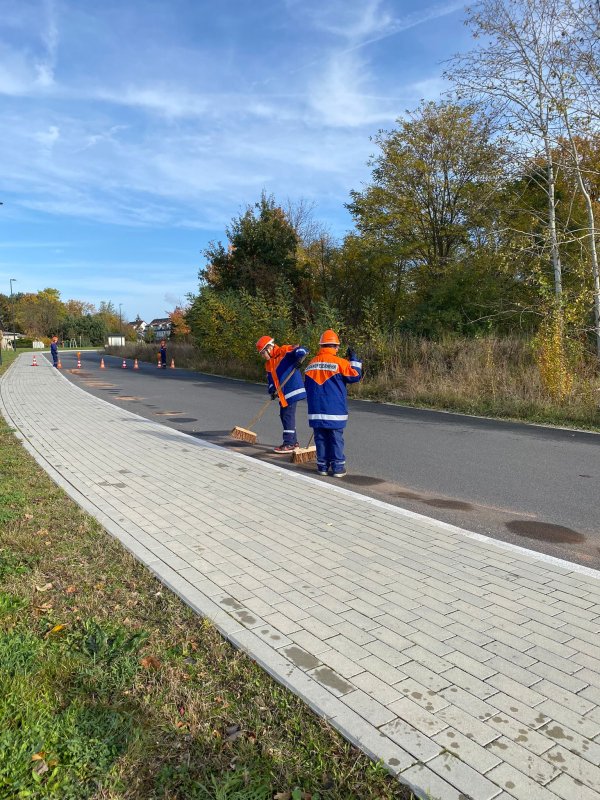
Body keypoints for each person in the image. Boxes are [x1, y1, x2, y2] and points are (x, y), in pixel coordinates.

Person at [303, 330, 362, 477]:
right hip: (334, 409)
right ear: (335, 346)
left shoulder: (311, 364)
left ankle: (322, 466)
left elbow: (308, 387)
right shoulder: (340, 363)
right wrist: (354, 360)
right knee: (335, 438)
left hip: (315, 409)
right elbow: (355, 376)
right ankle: (338, 468)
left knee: (320, 437)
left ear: (321, 345)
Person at [256, 335, 308, 453]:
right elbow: (271, 380)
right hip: (282, 393)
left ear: (269, 348)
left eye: (262, 352)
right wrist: (272, 391)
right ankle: (293, 442)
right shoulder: (269, 364)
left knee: (287, 415)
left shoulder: (283, 351)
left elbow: (301, 349)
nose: (262, 355)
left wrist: (299, 357)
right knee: (285, 415)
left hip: (292, 389)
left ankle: (289, 443)